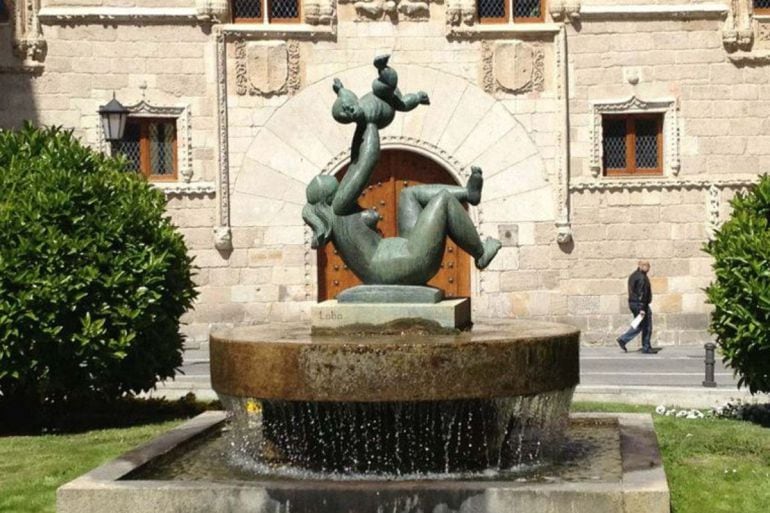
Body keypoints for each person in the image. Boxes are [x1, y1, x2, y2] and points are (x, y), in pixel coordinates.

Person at [302, 56, 501, 286]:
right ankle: (480, 253)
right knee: (443, 201)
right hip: (398, 266)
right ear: (326, 196)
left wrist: (358, 117)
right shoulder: (338, 205)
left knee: (409, 194)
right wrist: (370, 126)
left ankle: (468, 194)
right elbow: (364, 164)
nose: (330, 177)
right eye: (326, 180)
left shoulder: (338, 209)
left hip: (396, 258)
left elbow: (356, 160)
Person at [616, 261, 654, 354]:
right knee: (647, 325)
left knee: (639, 324)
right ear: (640, 266)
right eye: (646, 266)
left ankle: (626, 340)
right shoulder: (642, 277)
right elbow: (641, 293)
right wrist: (642, 308)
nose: (648, 268)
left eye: (648, 266)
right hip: (641, 304)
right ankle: (644, 346)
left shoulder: (633, 275)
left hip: (633, 303)